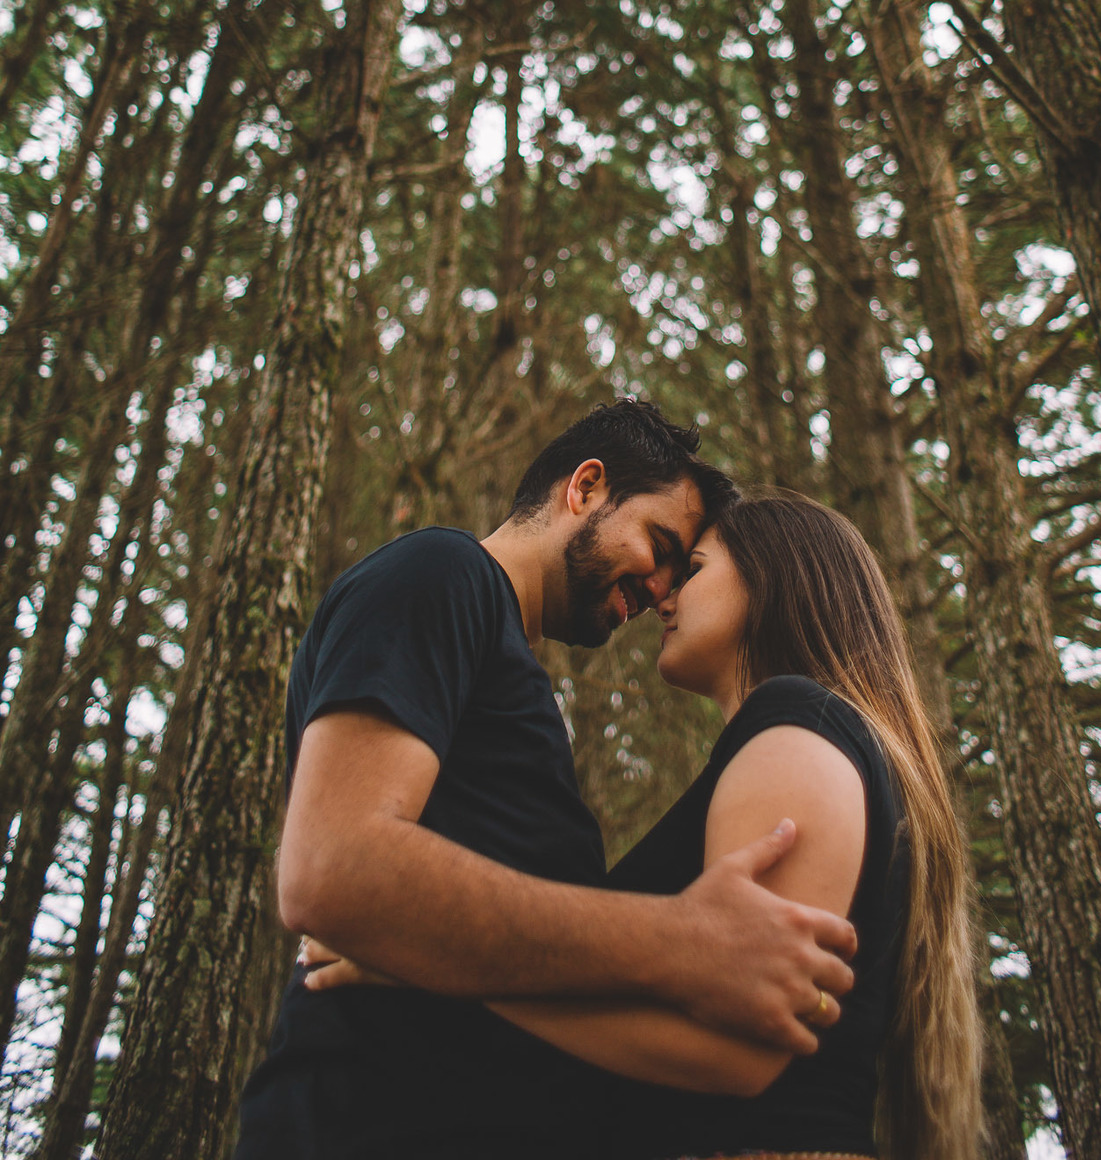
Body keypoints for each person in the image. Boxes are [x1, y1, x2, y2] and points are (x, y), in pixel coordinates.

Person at [235, 404, 858, 1160]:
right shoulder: (441, 572)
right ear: (587, 487)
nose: (661, 589)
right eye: (662, 547)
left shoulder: (510, 678)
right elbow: (329, 869)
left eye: (683, 568)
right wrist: (679, 939)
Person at [308, 492, 982, 1160]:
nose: (663, 594)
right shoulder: (808, 738)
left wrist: (435, 961)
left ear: (774, 577)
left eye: (691, 568)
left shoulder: (798, 724)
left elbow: (744, 1049)